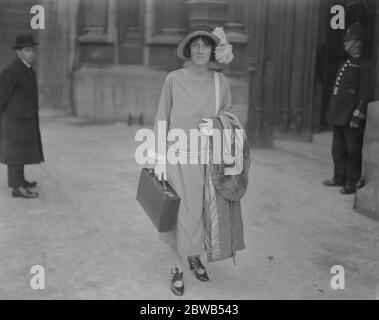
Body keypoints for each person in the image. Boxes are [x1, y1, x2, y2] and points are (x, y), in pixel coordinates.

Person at [151, 26, 248, 296]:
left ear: (214, 51)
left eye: (207, 45)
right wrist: (159, 158)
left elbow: (231, 116)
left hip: (209, 161)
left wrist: (216, 125)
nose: (201, 49)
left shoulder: (220, 83)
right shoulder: (173, 79)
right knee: (178, 215)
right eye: (197, 45)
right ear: (189, 49)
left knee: (204, 216)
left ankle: (194, 256)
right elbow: (162, 117)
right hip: (177, 158)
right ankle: (176, 268)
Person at [323, 23, 375, 195]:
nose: (345, 43)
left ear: (357, 43)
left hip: (350, 114)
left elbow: (365, 93)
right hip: (338, 113)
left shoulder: (365, 65)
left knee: (352, 150)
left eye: (349, 40)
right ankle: (339, 177)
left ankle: (351, 182)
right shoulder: (346, 63)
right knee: (338, 148)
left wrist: (357, 116)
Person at [0, 34, 44, 198]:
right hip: (13, 121)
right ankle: (17, 187)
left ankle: (21, 180)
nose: (32, 53)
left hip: (23, 119)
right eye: (27, 50)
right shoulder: (11, 70)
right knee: (15, 154)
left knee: (21, 152)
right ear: (18, 52)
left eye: (33, 50)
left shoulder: (25, 68)